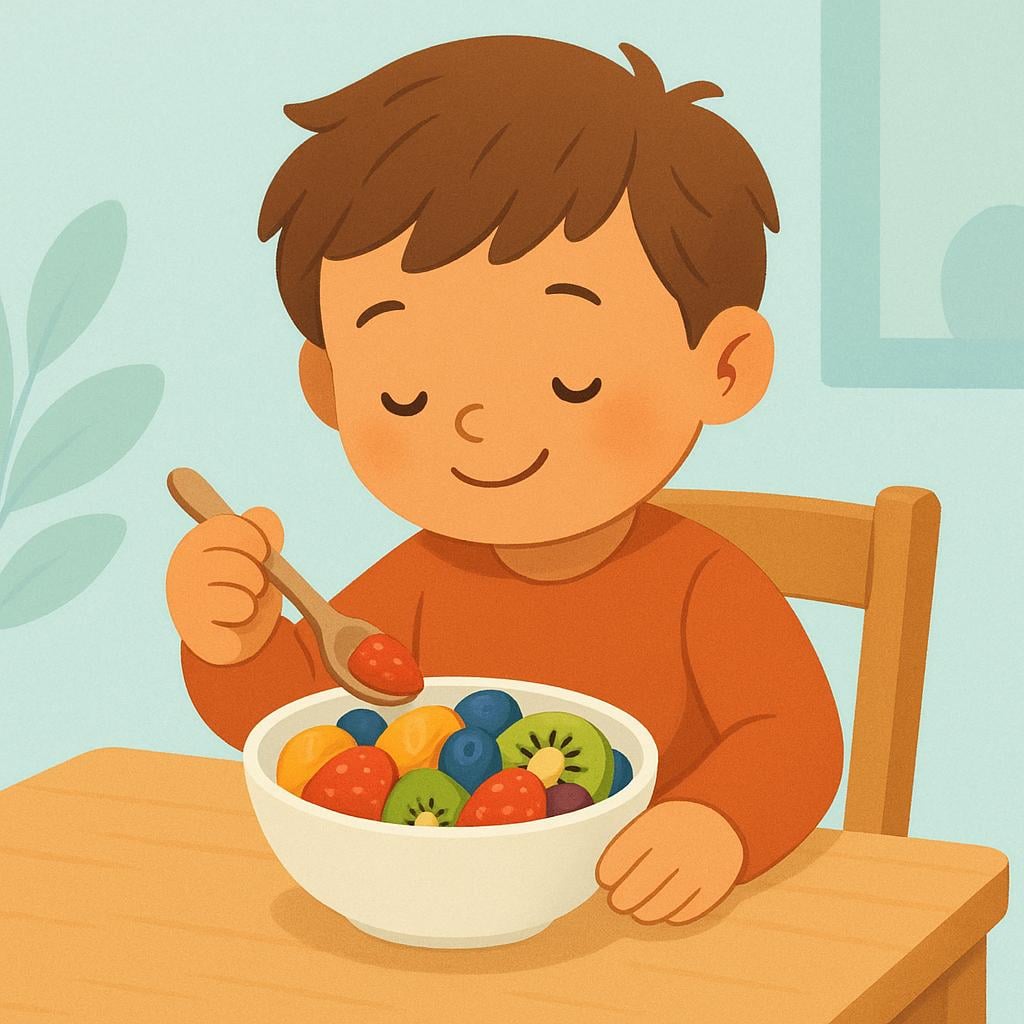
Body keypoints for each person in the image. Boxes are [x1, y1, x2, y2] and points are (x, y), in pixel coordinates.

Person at [166, 36, 843, 927]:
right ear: (331, 387)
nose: (478, 424)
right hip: (444, 923)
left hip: (643, 929)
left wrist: (718, 824)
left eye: (570, 378)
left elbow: (793, 739)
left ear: (722, 367)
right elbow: (310, 719)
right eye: (407, 389)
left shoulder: (701, 584)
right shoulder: (415, 582)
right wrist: (237, 640)